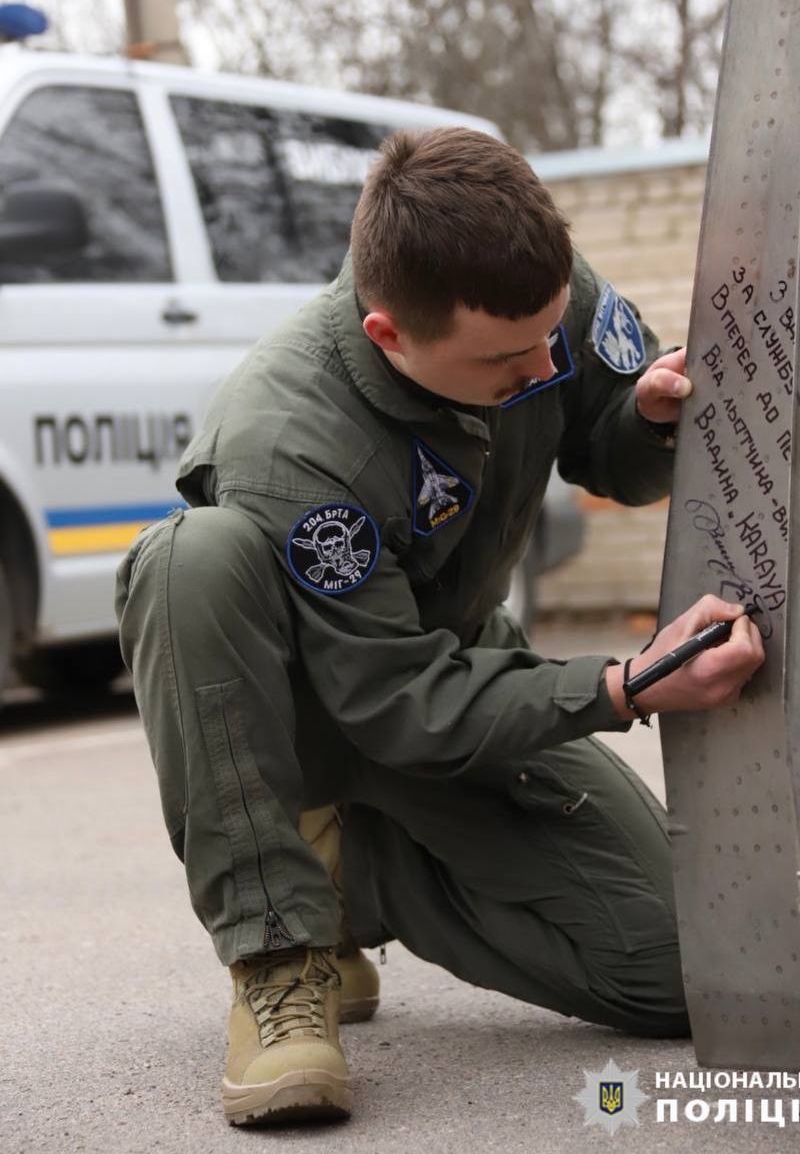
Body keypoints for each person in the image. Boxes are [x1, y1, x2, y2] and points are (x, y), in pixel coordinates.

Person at [115, 127, 764, 1127]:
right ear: (389, 335)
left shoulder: (535, 298)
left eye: (552, 332)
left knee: (679, 972)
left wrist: (648, 416)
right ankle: (279, 948)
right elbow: (392, 701)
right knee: (190, 558)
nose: (544, 362)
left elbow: (612, 457)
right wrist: (621, 686)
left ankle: (355, 875)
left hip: (452, 658)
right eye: (507, 357)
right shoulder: (292, 439)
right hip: (332, 708)